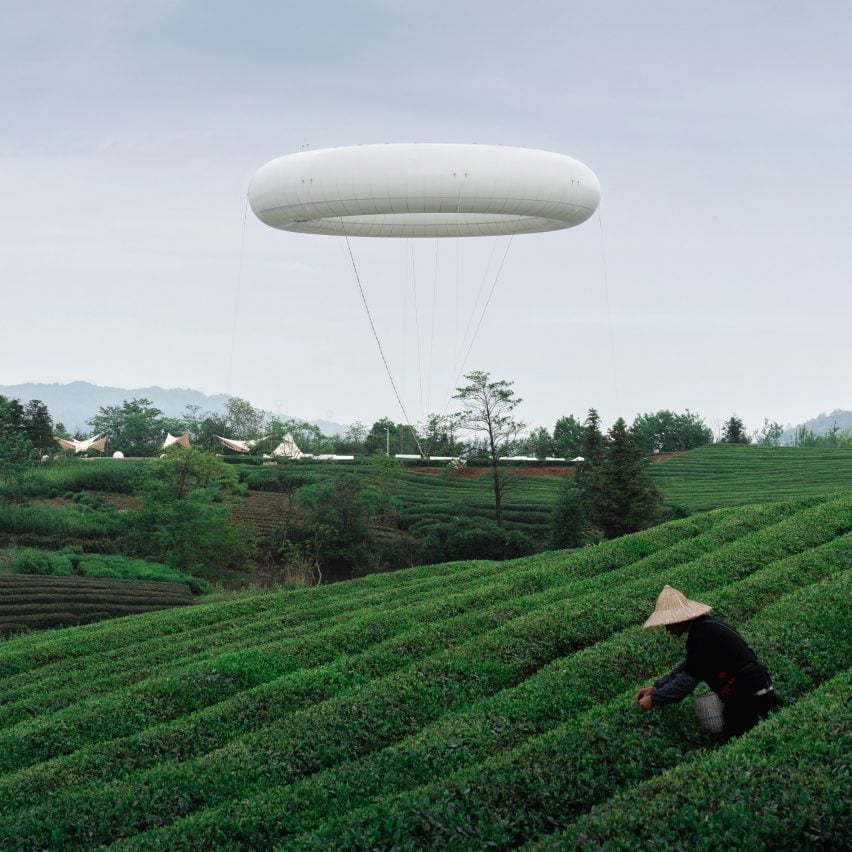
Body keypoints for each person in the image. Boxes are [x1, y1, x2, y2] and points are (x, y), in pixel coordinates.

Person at [636, 585, 777, 740]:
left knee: (735, 740)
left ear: (679, 620)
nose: (667, 629)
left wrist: (654, 699)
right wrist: (656, 687)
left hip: (750, 694)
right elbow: (689, 667)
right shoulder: (704, 628)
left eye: (668, 623)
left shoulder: (701, 636)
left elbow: (686, 682)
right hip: (754, 687)